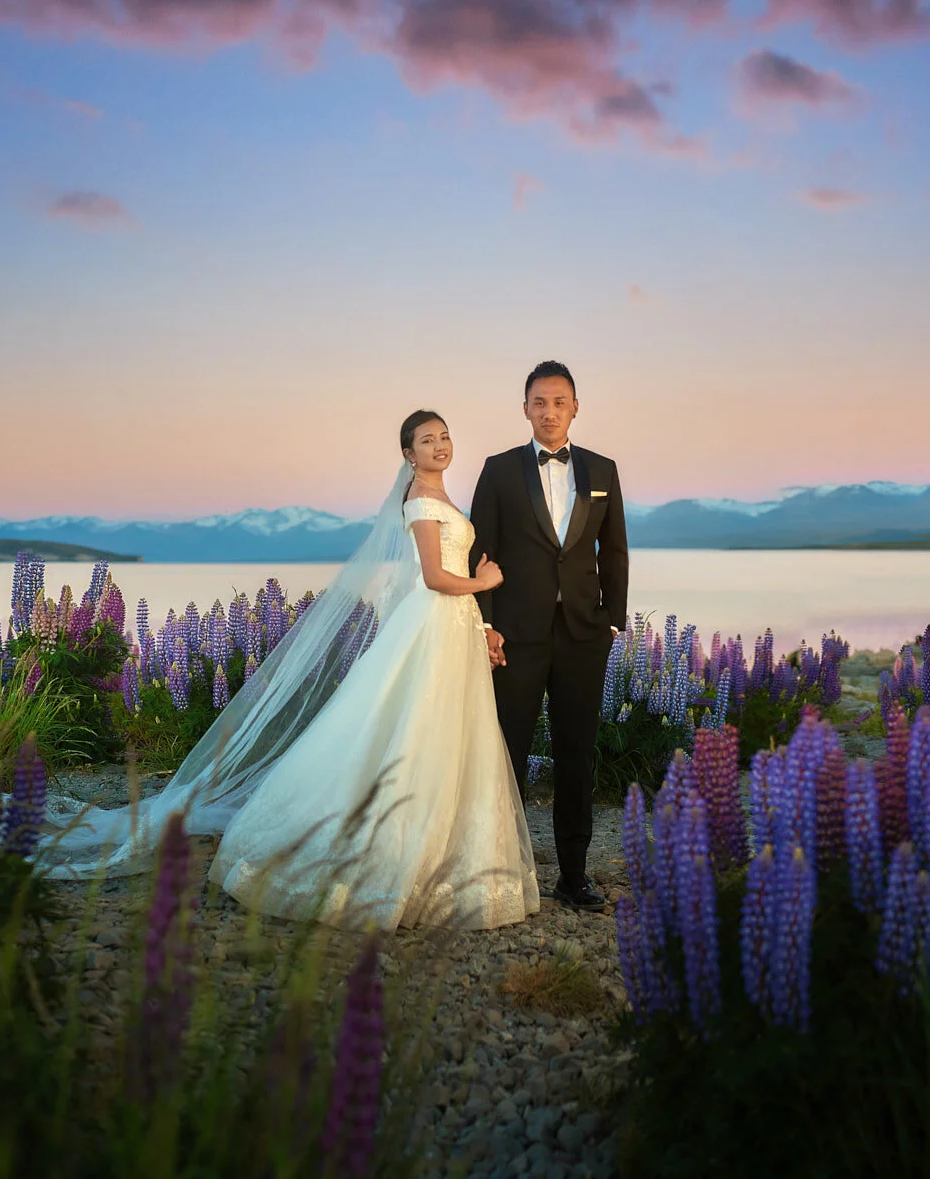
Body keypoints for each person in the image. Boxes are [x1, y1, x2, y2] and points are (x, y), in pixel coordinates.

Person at [37, 411, 541, 933]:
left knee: (449, 736)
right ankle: (393, 861)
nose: (439, 445)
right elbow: (436, 577)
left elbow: (438, 577)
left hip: (452, 628)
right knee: (415, 734)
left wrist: (483, 629)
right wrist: (486, 583)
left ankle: (452, 859)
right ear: (408, 455)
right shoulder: (419, 499)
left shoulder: (441, 498)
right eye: (426, 440)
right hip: (432, 626)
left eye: (444, 436)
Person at [468, 361, 629, 913]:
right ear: (525, 409)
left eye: (559, 402)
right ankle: (499, 871)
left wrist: (613, 619)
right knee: (505, 752)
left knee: (576, 755)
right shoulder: (498, 470)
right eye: (539, 402)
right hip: (514, 635)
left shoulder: (604, 469)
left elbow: (616, 551)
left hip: (584, 635)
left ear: (575, 407)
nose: (549, 411)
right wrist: (486, 624)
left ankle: (574, 876)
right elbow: (480, 551)